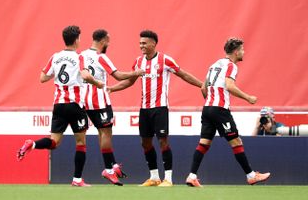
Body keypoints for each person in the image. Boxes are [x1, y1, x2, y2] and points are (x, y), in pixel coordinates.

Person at [107, 30, 203, 187]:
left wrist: (201, 84)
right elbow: (130, 81)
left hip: (160, 108)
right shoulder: (138, 62)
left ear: (153, 43)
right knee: (145, 143)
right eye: (140, 43)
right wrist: (112, 88)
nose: (141, 46)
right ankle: (153, 177)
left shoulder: (165, 60)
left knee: (163, 141)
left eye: (144, 43)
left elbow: (183, 74)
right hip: (144, 109)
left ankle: (168, 179)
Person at [17, 25, 104, 187]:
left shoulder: (55, 57)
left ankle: (33, 144)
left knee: (54, 142)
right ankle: (77, 179)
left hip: (59, 105)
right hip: (75, 104)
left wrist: (58, 75)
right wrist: (97, 82)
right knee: (81, 143)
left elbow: (43, 78)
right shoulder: (79, 57)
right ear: (77, 39)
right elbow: (85, 74)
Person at [185, 37, 271, 187]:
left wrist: (209, 104)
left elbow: (203, 88)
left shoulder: (213, 65)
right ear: (236, 52)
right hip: (220, 110)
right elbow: (230, 86)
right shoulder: (231, 66)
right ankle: (251, 176)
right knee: (236, 141)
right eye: (242, 50)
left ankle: (192, 176)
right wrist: (248, 97)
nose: (244, 52)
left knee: (204, 143)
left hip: (207, 109)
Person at [80, 29, 145, 186]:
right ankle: (109, 169)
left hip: (85, 101)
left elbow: (83, 74)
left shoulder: (81, 55)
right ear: (103, 41)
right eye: (108, 41)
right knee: (107, 133)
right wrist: (137, 72)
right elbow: (118, 75)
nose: (108, 44)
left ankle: (112, 165)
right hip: (100, 101)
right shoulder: (101, 57)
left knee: (101, 132)